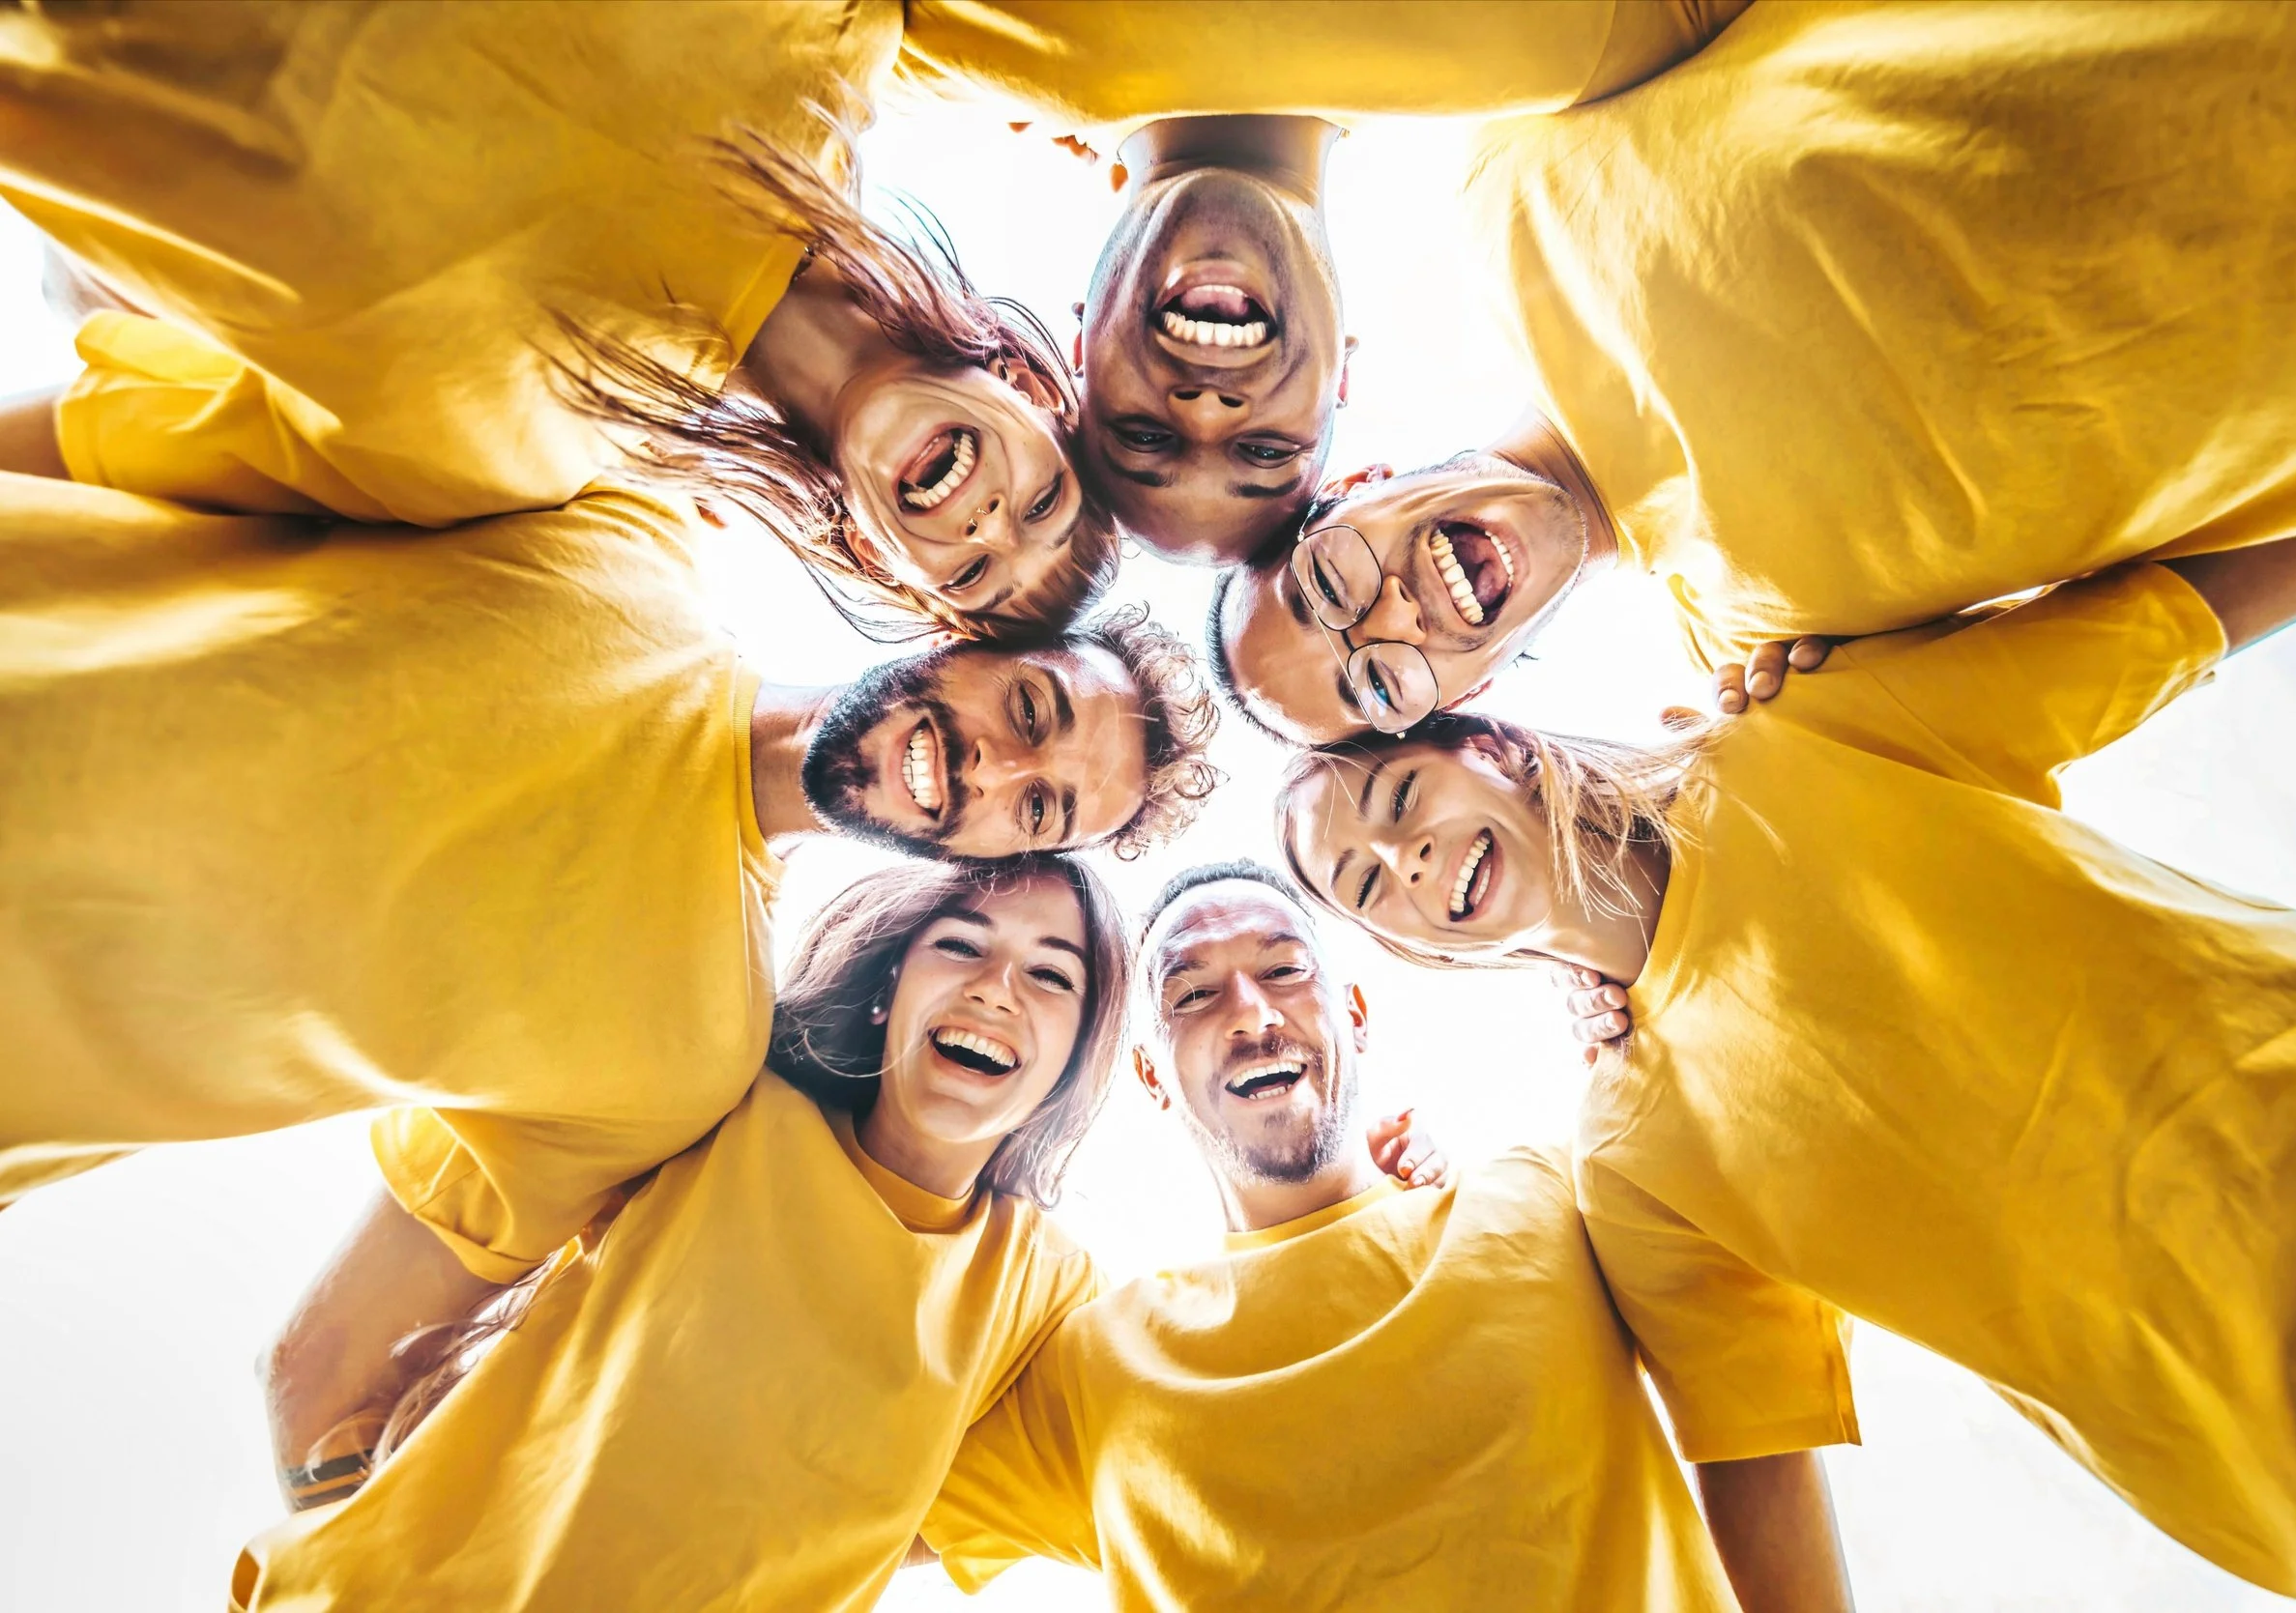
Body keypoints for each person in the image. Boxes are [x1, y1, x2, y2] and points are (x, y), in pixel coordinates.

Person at [1274, 513, 2296, 1605]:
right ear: (1410, 946)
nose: (1404, 857)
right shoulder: (1633, 1166)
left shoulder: (1802, 733)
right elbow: (1753, 1456)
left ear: (1496, 747)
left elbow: (2173, 620)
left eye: (1401, 793)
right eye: (1367, 885)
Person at [0, 467, 1218, 1288]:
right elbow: (150, 439)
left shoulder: (680, 1059)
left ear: (996, 862)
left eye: (1039, 806)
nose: (993, 764)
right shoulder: (613, 527)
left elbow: (377, 1333)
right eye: (1028, 706)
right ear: (965, 630)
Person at [243, 860, 1447, 1607]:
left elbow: (1202, 1430)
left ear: (1081, 1061)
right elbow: (314, 1371)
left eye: (1050, 976)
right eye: (962, 948)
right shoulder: (713, 1110)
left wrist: (1396, 1212)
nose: (994, 991)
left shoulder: (1037, 1292)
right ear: (893, 983)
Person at [1208, 0, 2296, 740]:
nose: (1391, 616)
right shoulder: (1774, 664)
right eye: (1373, 685)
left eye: (1329, 584)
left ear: (1352, 480)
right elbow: (2178, 618)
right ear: (1453, 702)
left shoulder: (1510, 181)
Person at [0, 1, 1117, 635]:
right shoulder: (825, 35)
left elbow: (89, 435)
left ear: (878, 558)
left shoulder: (479, 465)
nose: (986, 527)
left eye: (971, 575)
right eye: (1045, 501)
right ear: (1031, 387)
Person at [914, 861, 1855, 1612]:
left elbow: (1754, 1419)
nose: (1250, 1011)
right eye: (1192, 994)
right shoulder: (1091, 1364)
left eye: (1284, 969)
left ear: (1354, 1016)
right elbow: (837, 1516)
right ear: (1152, 1077)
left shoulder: (1553, 1198)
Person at [895, 0, 1748, 566]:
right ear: (1342, 374)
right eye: (1264, 451)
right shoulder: (1569, 44)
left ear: (1078, 345)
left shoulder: (939, 41)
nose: (1203, 409)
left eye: (1143, 437)